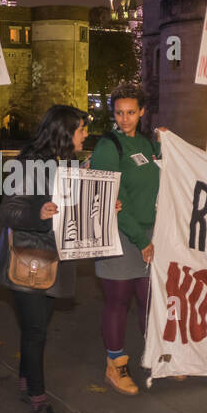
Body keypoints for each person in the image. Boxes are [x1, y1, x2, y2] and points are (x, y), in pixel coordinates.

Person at [0, 106, 87, 413]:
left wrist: (101, 205)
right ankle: (37, 399)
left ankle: (25, 380)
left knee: (37, 327)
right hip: (30, 259)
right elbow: (9, 211)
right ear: (65, 132)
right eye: (81, 129)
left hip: (52, 260)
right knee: (36, 332)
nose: (85, 135)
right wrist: (39, 214)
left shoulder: (67, 162)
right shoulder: (30, 161)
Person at [89, 82, 160, 395]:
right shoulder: (108, 146)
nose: (125, 118)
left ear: (142, 112)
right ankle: (115, 366)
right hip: (119, 234)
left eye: (131, 112)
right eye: (119, 112)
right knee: (117, 301)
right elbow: (112, 200)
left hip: (149, 234)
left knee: (149, 302)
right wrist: (140, 240)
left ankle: (157, 357)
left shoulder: (146, 143)